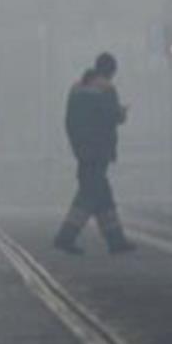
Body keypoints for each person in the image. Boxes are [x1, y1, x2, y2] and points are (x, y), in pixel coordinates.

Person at [54, 52, 135, 255]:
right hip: (99, 151)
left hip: (81, 149)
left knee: (102, 195)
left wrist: (77, 145)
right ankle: (65, 236)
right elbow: (112, 117)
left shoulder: (76, 88)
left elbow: (69, 120)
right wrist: (122, 113)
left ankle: (115, 240)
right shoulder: (106, 89)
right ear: (111, 71)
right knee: (89, 195)